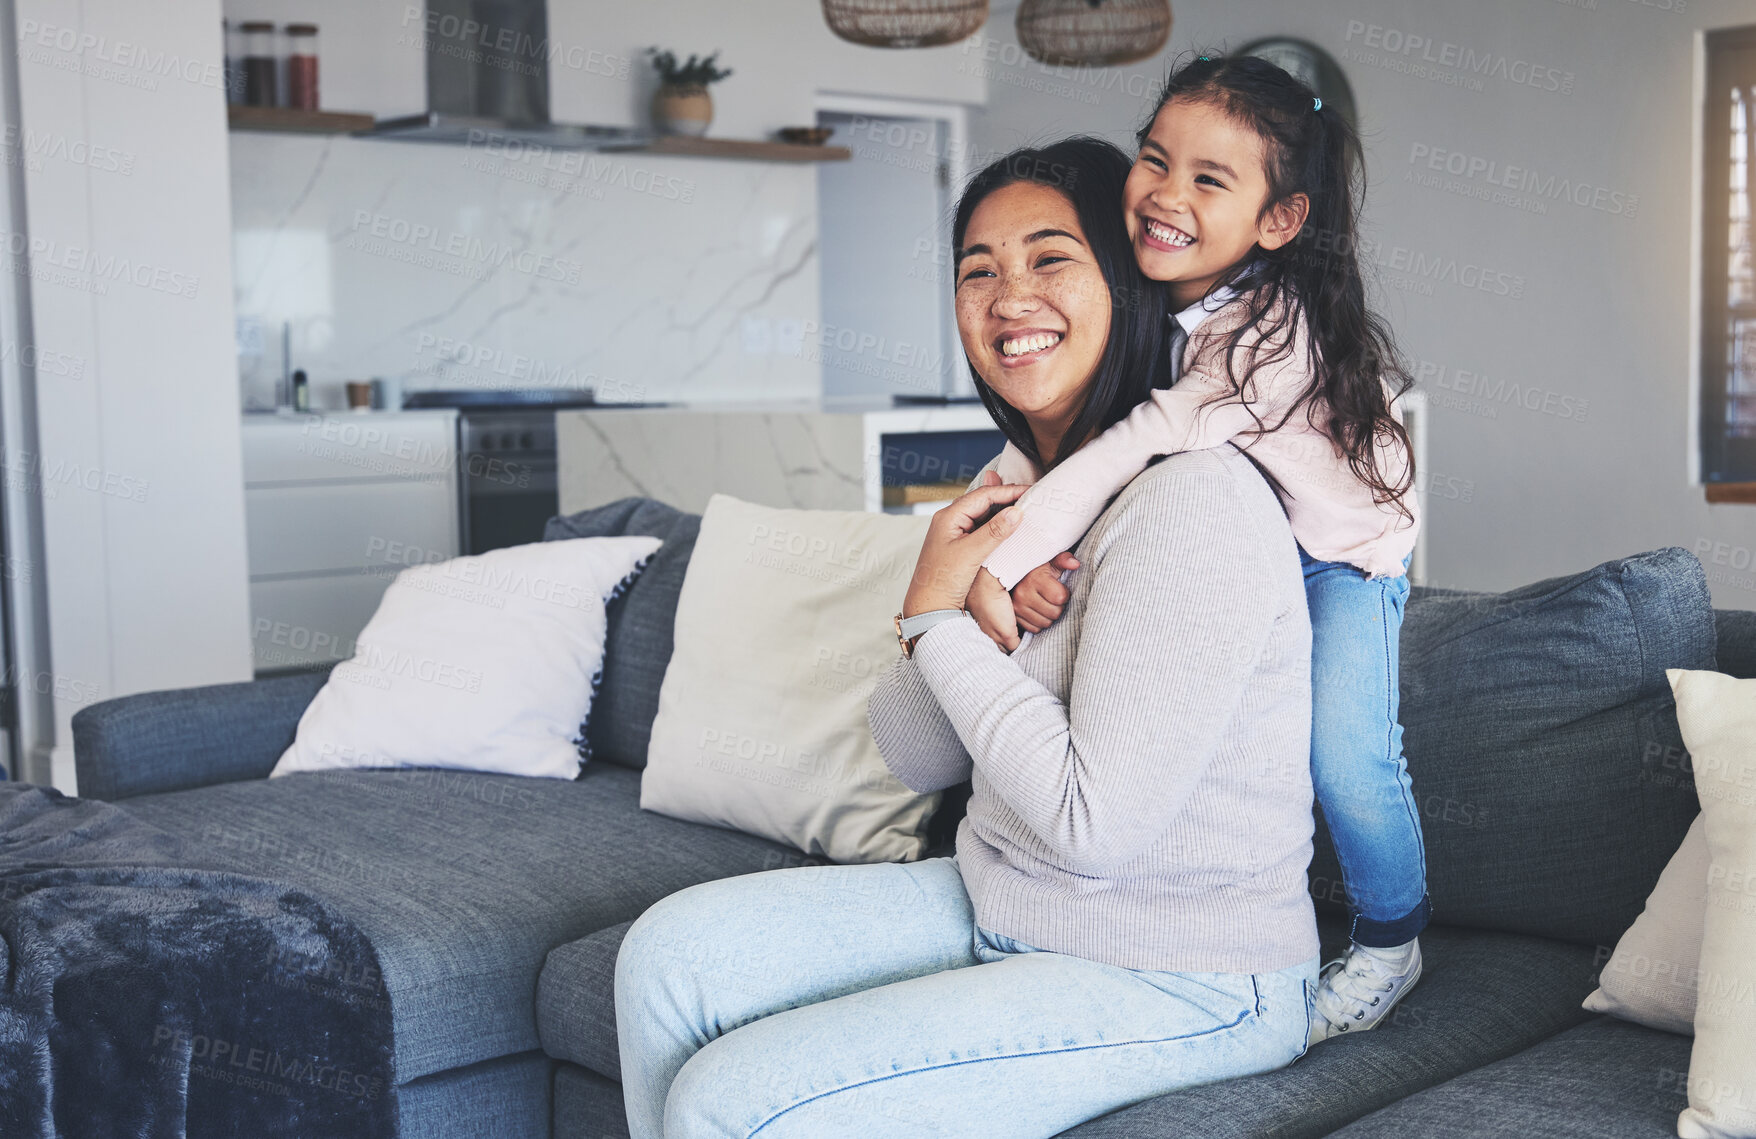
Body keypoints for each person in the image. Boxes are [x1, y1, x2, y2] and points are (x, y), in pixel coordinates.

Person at [612, 136, 1320, 1139]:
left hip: (1185, 972)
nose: (1007, 295)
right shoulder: (1015, 492)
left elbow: (1090, 828)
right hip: (998, 902)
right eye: (976, 269)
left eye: (1049, 258)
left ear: (1126, 282)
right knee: (664, 960)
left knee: (730, 1103)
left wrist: (937, 617)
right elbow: (912, 755)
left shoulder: (1191, 498)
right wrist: (937, 598)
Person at [966, 52, 1430, 1045]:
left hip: (1343, 558)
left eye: (1208, 180)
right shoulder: (1163, 290)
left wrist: (995, 564)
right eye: (1153, 159)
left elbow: (1129, 443)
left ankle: (1391, 936)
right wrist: (1009, 517)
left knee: (1346, 758)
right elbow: (1083, 426)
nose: (1164, 195)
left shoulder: (1270, 334)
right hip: (1244, 535)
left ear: (1277, 221)